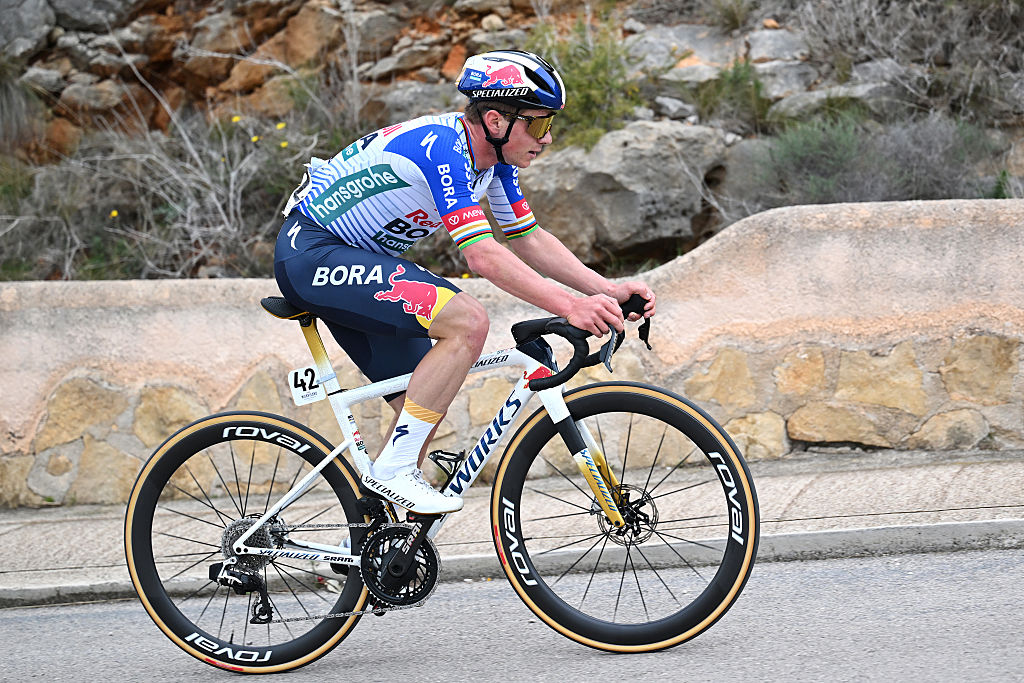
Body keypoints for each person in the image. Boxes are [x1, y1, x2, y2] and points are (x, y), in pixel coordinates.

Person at [274, 50, 655, 515]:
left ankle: (363, 552)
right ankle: (393, 473)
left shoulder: (493, 164)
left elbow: (528, 238)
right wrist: (570, 305)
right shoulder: (443, 148)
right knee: (468, 321)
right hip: (312, 253)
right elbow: (482, 255)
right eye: (537, 125)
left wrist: (606, 288)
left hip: (355, 261)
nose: (548, 138)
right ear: (495, 120)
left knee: (420, 404)